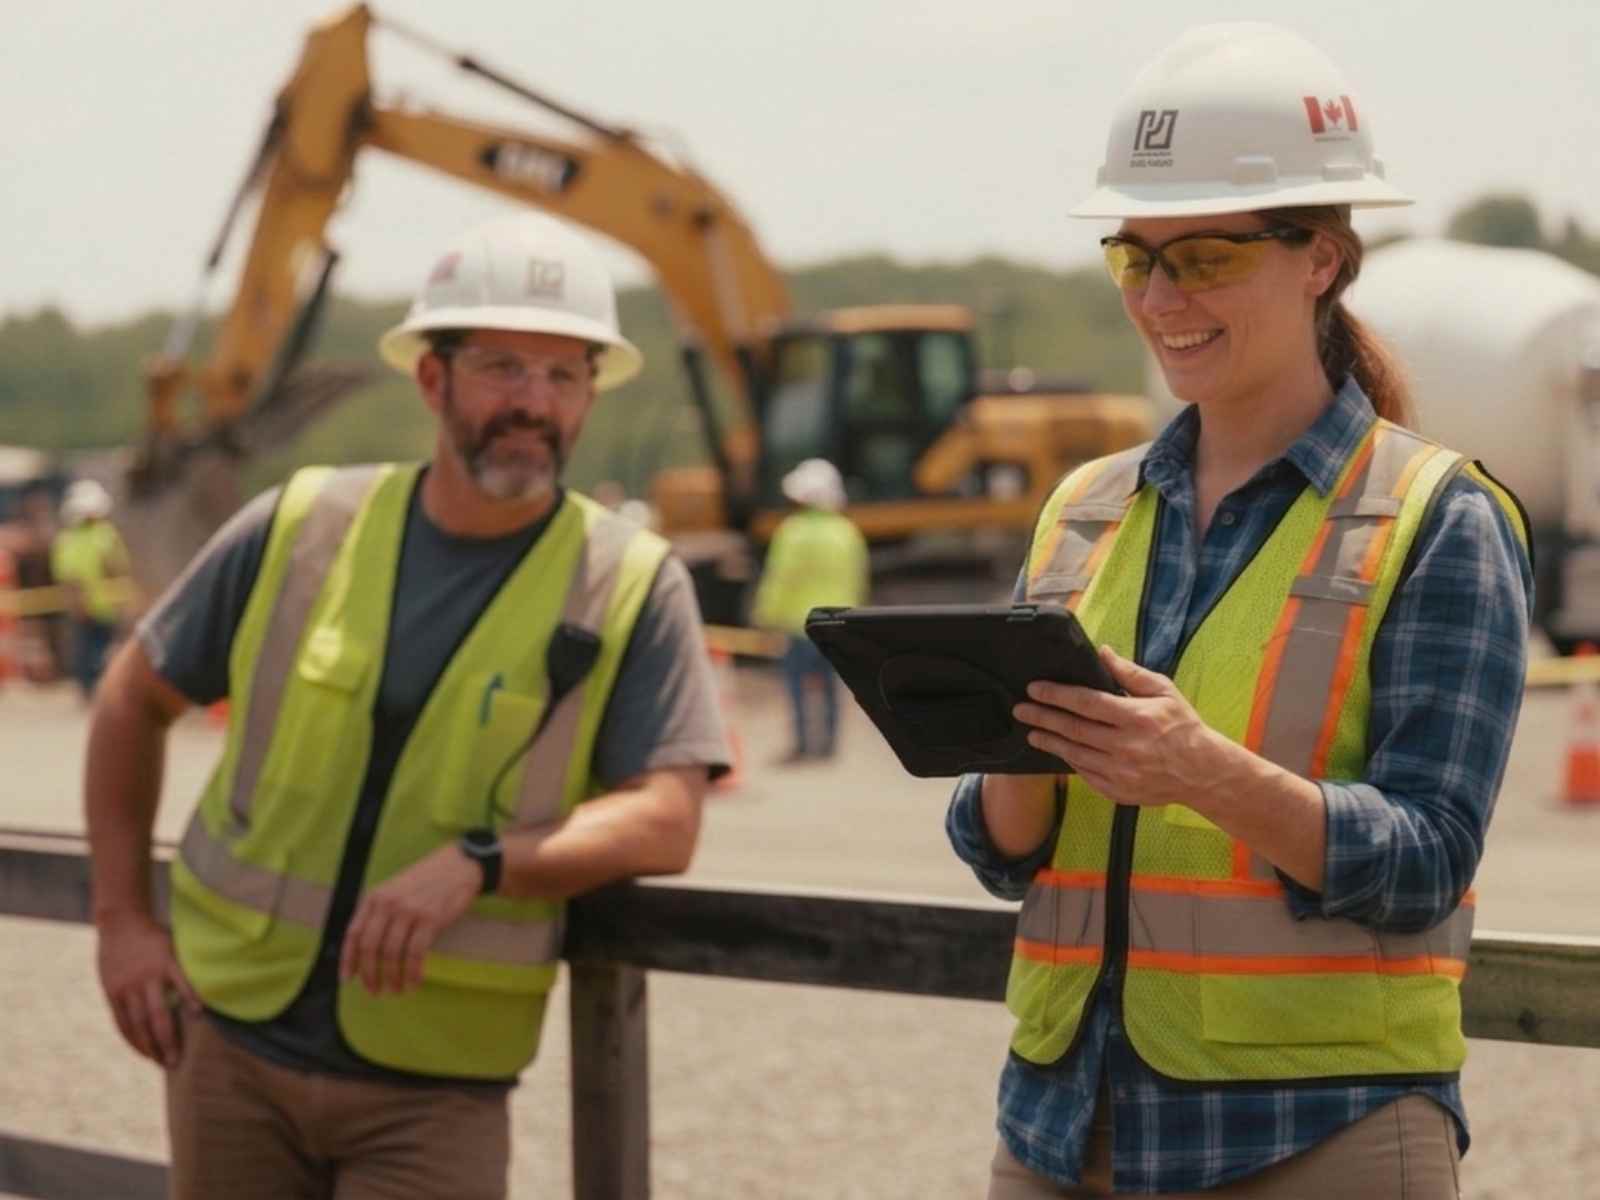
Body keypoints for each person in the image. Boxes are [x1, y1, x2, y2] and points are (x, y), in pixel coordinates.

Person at [946, 23, 1532, 1198]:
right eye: (1134, 258)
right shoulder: (1082, 510)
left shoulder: (1438, 518)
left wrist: (1201, 772)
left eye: (1204, 257)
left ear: (1320, 257)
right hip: (1064, 1123)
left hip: (1315, 1138)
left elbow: (1425, 863)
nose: (1161, 297)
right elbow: (998, 852)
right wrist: (1011, 748)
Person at [84, 212, 730, 1200]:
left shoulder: (631, 582)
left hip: (436, 1088)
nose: (536, 402)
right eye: (505, 368)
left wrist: (483, 864)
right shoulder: (301, 525)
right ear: (434, 379)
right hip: (228, 1049)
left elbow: (666, 816)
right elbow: (133, 700)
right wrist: (123, 921)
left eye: (565, 377)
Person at [751, 457, 868, 763]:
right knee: (831, 687)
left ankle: (803, 744)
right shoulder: (847, 532)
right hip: (837, 623)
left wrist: (765, 615)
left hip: (799, 625)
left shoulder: (792, 531)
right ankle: (829, 744)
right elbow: (857, 577)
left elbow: (781, 577)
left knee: (798, 688)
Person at [51, 477, 133, 698]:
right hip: (88, 607)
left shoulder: (102, 534)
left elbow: (117, 569)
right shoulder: (71, 539)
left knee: (101, 652)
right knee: (88, 653)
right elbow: (70, 577)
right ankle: (91, 690)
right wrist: (78, 603)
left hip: (105, 607)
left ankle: (100, 689)